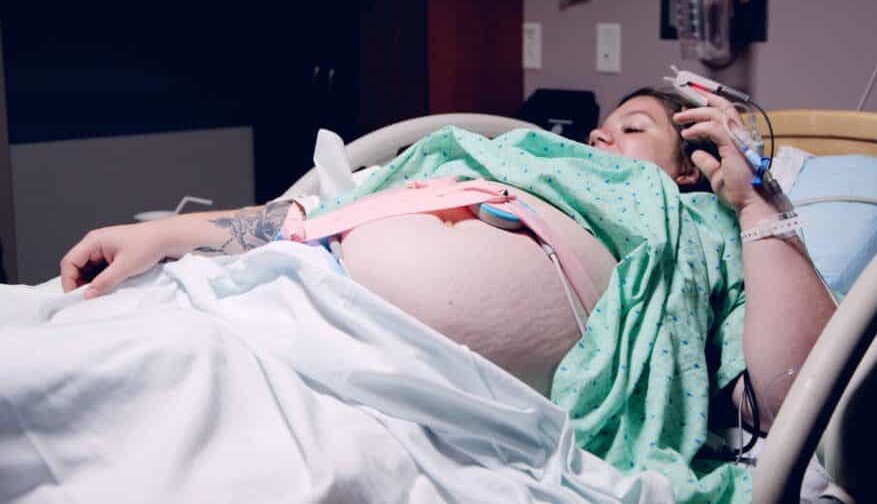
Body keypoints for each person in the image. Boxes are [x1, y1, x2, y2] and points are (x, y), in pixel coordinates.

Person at [58, 87, 836, 498]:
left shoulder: (701, 225)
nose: (600, 139)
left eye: (632, 127)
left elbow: (793, 392)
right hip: (298, 291)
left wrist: (757, 201)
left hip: (406, 379)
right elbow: (314, 211)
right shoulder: (515, 154)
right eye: (598, 129)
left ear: (684, 165)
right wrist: (161, 238)